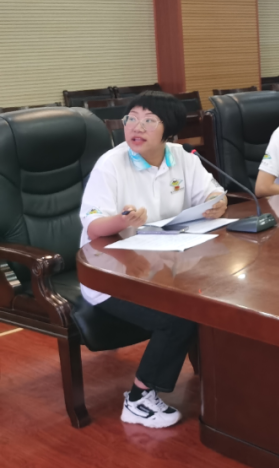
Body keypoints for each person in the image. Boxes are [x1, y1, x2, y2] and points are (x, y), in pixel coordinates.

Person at [80, 91, 228, 428]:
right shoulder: (111, 164)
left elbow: (212, 193)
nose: (136, 127)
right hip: (113, 274)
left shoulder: (182, 157)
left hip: (165, 267)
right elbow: (93, 227)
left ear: (168, 129)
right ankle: (138, 399)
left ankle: (223, 377)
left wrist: (217, 202)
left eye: (149, 120)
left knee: (216, 298)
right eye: (131, 118)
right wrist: (122, 220)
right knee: (177, 317)